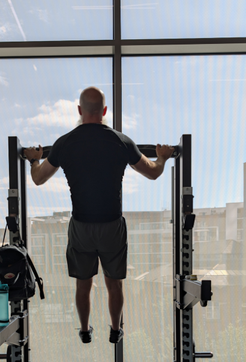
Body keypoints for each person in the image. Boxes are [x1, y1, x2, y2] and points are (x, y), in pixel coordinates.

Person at [23, 86, 170, 344]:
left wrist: (34, 159)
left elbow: (38, 178)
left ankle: (84, 330)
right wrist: (163, 158)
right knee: (114, 284)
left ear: (80, 110)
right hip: (112, 225)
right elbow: (153, 172)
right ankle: (115, 329)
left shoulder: (64, 143)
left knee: (83, 284)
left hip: (81, 226)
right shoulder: (121, 141)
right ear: (104, 111)